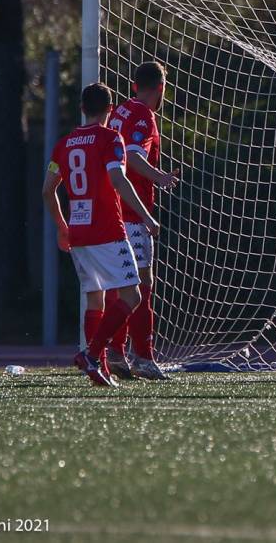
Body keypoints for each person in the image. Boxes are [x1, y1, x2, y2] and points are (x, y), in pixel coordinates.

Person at [42, 82, 159, 387]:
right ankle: (92, 353)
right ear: (110, 110)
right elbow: (118, 180)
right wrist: (146, 217)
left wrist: (61, 226)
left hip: (78, 232)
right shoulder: (111, 138)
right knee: (132, 295)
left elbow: (47, 190)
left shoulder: (64, 144)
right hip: (107, 230)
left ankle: (99, 369)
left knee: (96, 300)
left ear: (82, 108)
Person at [103, 61, 179, 381]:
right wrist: (159, 176)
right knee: (142, 285)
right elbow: (133, 156)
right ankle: (143, 357)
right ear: (161, 88)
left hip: (112, 211)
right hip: (133, 213)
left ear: (135, 85)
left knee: (119, 285)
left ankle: (116, 352)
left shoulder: (120, 110)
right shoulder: (144, 115)